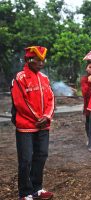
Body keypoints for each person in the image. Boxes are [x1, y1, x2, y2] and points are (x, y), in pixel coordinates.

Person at [11, 46, 54, 200]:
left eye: (42, 60)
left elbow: (51, 99)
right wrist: (38, 118)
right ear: (28, 60)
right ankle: (25, 193)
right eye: (37, 60)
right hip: (26, 127)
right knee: (26, 159)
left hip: (44, 125)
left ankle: (37, 188)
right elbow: (20, 103)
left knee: (41, 155)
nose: (40, 63)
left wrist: (47, 116)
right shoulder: (19, 78)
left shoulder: (45, 78)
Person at [80, 61, 91, 144]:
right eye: (90, 67)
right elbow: (85, 93)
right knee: (89, 123)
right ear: (86, 69)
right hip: (88, 105)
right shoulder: (84, 79)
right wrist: (90, 82)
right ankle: (90, 140)